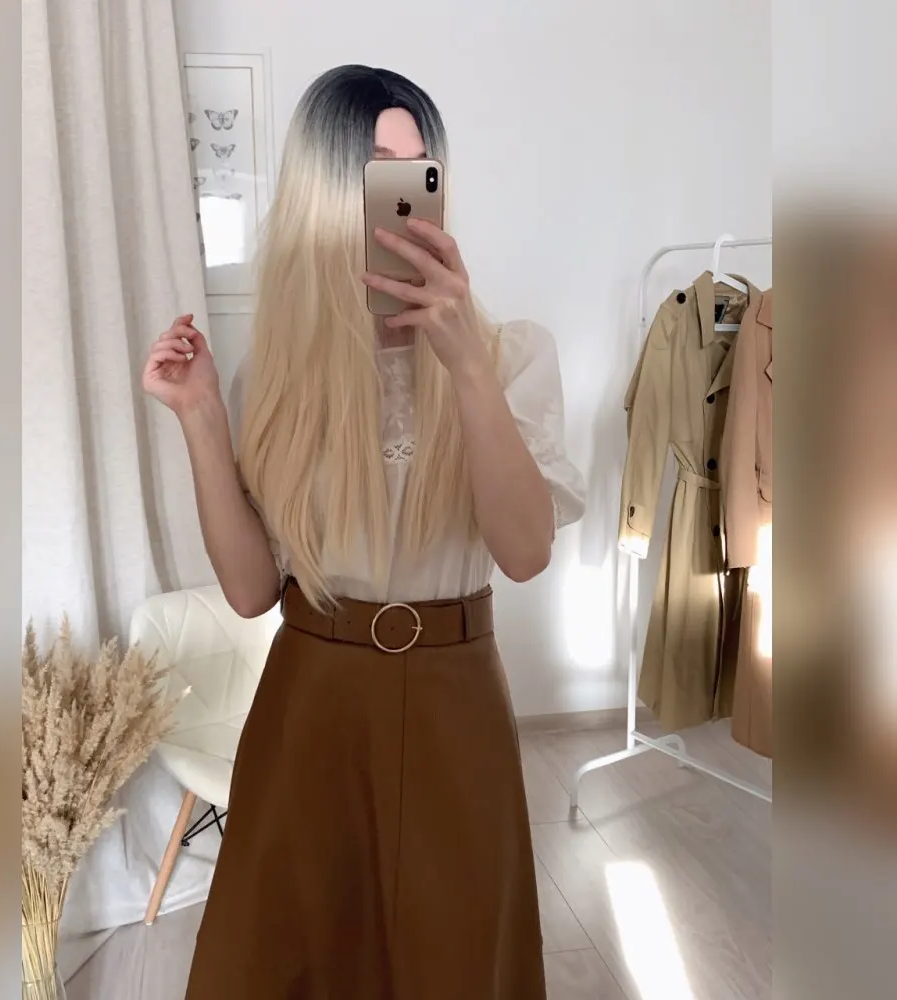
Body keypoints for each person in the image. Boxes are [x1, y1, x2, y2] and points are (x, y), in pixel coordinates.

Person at [143, 63, 585, 1000]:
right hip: (312, 697)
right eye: (375, 173)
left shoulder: (511, 355)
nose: (402, 202)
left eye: (419, 172)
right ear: (321, 196)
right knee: (285, 958)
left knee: (455, 960)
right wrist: (202, 419)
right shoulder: (277, 376)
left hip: (458, 698)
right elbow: (252, 592)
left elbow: (524, 552)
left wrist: (465, 368)